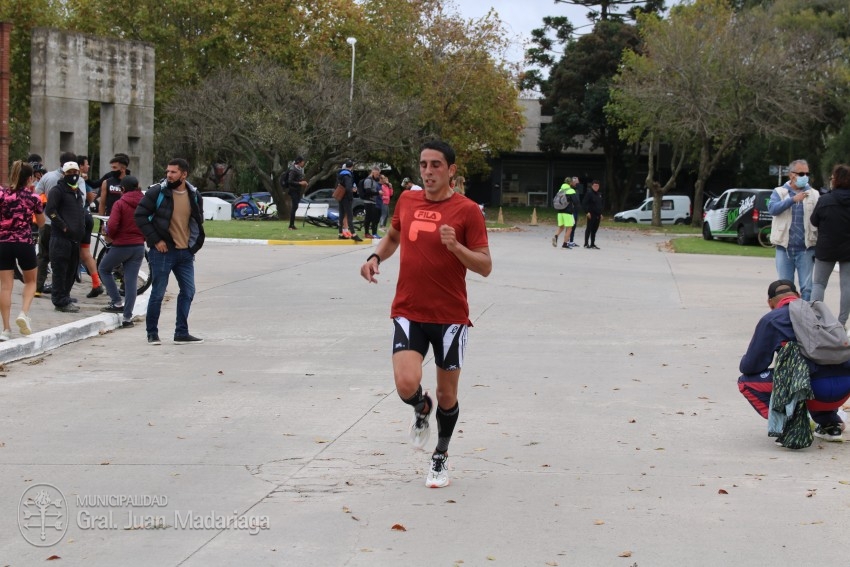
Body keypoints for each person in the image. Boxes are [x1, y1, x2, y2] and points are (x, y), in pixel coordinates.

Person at [360, 140, 492, 488]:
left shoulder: (468, 211)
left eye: (436, 165)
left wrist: (456, 246)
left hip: (450, 317)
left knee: (448, 396)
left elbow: (485, 266)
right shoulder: (407, 200)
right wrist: (375, 257)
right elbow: (392, 236)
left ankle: (440, 456)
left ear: (451, 171)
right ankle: (421, 407)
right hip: (409, 309)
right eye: (423, 165)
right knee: (405, 384)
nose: (429, 171)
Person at [738, 280, 850, 443]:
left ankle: (791, 424)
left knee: (746, 382)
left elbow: (750, 366)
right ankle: (830, 424)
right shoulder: (821, 312)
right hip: (844, 388)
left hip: (812, 392)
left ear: (770, 303)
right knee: (817, 370)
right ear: (798, 296)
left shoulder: (771, 319)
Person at [134, 158, 205, 345]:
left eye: (173, 172)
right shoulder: (157, 191)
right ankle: (152, 333)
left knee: (188, 291)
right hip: (163, 252)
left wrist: (193, 247)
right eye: (168, 171)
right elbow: (140, 216)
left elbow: (198, 222)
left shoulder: (194, 194)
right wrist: (156, 240)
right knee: (158, 292)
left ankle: (181, 332)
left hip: (185, 253)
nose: (169, 175)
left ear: (184, 174)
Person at [0, 161, 46, 340]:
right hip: (24, 242)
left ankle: (5, 329)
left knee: (5, 287)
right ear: (29, 178)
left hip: (3, 243)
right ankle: (23, 313)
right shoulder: (33, 198)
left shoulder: (2, 194)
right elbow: (41, 223)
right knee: (30, 281)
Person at [768, 159, 819, 300]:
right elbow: (772, 209)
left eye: (807, 173)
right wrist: (792, 200)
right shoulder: (780, 192)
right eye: (801, 173)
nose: (805, 177)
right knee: (785, 288)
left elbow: (819, 218)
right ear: (791, 175)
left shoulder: (814, 194)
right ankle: (787, 317)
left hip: (806, 249)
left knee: (807, 288)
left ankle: (805, 318)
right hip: (784, 248)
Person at [98, 175, 145, 328]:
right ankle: (127, 318)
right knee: (131, 281)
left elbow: (112, 225)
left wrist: (107, 232)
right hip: (138, 246)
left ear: (122, 189)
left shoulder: (120, 203)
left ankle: (117, 301)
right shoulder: (144, 203)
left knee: (104, 269)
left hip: (121, 245)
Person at [810, 164, 850, 329]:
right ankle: (842, 322)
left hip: (826, 248)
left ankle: (816, 320)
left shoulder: (825, 200)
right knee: (847, 285)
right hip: (848, 248)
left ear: (836, 180)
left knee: (819, 284)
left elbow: (814, 221)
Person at [44, 161, 86, 312]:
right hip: (60, 238)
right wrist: (63, 226)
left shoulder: (77, 193)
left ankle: (65, 296)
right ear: (64, 174)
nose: (73, 175)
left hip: (75, 240)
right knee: (60, 270)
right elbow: (50, 210)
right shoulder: (58, 190)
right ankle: (60, 301)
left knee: (71, 271)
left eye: (75, 172)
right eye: (69, 173)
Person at [35, 151, 78, 296]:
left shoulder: (47, 177)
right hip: (62, 226)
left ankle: (37, 288)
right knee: (60, 260)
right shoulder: (75, 182)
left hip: (46, 223)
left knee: (43, 256)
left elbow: (36, 193)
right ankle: (60, 291)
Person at [75, 154, 104, 299]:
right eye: (87, 164)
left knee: (76, 252)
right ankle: (96, 282)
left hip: (80, 219)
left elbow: (87, 198)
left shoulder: (77, 180)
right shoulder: (82, 180)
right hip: (87, 217)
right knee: (85, 253)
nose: (88, 166)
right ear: (80, 166)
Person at [336, 160, 363, 242]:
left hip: (340, 196)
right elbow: (348, 188)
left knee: (341, 215)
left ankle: (340, 233)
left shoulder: (340, 174)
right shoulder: (348, 175)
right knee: (350, 215)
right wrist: (351, 193)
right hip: (346, 198)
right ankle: (354, 234)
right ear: (351, 166)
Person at [552, 178, 579, 249]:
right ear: (570, 183)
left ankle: (556, 236)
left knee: (561, 227)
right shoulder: (570, 190)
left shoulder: (560, 190)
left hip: (560, 212)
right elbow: (576, 201)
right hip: (568, 212)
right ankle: (565, 244)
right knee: (570, 228)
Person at [282, 157, 308, 230]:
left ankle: (292, 224)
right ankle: (291, 225)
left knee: (295, 207)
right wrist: (300, 183)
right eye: (303, 161)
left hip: (297, 190)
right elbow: (290, 181)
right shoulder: (293, 169)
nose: (304, 163)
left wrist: (303, 183)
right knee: (294, 207)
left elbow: (298, 179)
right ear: (299, 162)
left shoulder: (299, 169)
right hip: (293, 190)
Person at [359, 166, 382, 239]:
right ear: (373, 172)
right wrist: (378, 193)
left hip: (373, 201)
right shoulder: (368, 180)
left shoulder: (374, 180)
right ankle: (366, 232)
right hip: (368, 201)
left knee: (372, 217)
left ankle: (370, 233)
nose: (377, 176)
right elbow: (368, 191)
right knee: (368, 217)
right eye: (377, 174)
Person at [582, 180, 603, 249]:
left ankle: (592, 244)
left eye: (597, 186)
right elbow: (584, 203)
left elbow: (599, 204)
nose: (596, 187)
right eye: (595, 186)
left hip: (598, 215)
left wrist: (600, 214)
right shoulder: (589, 193)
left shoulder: (599, 194)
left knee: (594, 230)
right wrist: (587, 212)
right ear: (592, 186)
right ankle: (586, 243)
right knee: (589, 229)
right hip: (591, 214)